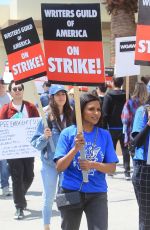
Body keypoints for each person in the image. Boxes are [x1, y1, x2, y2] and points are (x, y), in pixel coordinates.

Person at [54, 93, 119, 230]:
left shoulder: (104, 134)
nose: (96, 113)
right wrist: (75, 148)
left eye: (99, 109)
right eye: (91, 109)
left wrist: (93, 165)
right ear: (80, 110)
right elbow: (59, 167)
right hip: (70, 191)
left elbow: (112, 168)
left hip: (97, 193)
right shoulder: (67, 133)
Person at [31, 84, 73, 230]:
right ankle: (46, 226)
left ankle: (65, 225)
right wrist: (44, 136)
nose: (61, 97)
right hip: (50, 164)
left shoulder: (72, 115)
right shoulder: (45, 116)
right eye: (58, 94)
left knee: (65, 197)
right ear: (52, 97)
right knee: (49, 197)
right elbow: (35, 143)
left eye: (63, 94)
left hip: (67, 163)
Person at [0, 80, 39, 220]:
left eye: (19, 88)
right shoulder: (5, 109)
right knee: (17, 177)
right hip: (13, 150)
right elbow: (2, 129)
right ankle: (19, 206)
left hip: (28, 148)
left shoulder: (31, 107)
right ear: (10, 91)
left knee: (29, 176)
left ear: (23, 91)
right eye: (14, 89)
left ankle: (20, 195)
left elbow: (37, 126)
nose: (17, 91)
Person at [102, 77, 130, 180]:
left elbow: (105, 113)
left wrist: (104, 127)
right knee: (125, 149)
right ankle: (127, 172)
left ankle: (110, 170)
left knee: (111, 149)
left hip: (112, 127)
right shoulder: (126, 95)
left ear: (113, 82)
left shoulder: (108, 95)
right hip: (124, 126)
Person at [131, 99, 150, 230]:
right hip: (145, 168)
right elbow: (136, 142)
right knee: (147, 217)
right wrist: (149, 124)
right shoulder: (143, 111)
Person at [121, 82, 149, 156]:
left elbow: (125, 120)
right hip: (144, 133)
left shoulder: (130, 102)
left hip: (131, 134)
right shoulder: (147, 104)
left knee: (134, 156)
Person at [0, 78, 11, 196]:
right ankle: (4, 184)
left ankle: (4, 184)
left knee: (5, 162)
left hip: (6, 135)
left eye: (2, 85)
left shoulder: (9, 98)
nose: (1, 87)